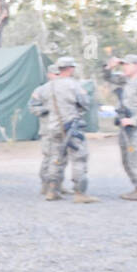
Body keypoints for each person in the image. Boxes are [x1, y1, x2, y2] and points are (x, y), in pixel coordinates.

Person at [28, 56, 97, 202]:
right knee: (79, 158)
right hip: (72, 127)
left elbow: (34, 105)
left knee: (55, 158)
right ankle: (80, 193)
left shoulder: (45, 87)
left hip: (53, 128)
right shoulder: (74, 85)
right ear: (71, 69)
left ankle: (52, 190)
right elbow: (85, 103)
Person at [104, 54, 137, 200]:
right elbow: (108, 78)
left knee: (136, 157)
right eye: (123, 64)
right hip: (126, 126)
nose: (124, 67)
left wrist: (134, 119)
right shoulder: (125, 80)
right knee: (126, 158)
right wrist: (109, 67)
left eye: (127, 64)